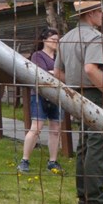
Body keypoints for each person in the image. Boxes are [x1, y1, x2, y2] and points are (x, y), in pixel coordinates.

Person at [56, 0, 103, 204]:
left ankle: (83, 198)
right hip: (95, 95)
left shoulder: (66, 38)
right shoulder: (96, 37)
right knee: (97, 145)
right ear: (92, 13)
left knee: (84, 144)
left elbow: (57, 73)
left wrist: (76, 85)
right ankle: (96, 201)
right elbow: (91, 68)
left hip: (76, 94)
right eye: (101, 12)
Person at [19, 27, 63, 174]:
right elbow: (41, 74)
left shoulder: (59, 57)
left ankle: (52, 161)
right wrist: (56, 74)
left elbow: (60, 74)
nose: (56, 42)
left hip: (57, 96)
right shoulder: (38, 55)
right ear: (44, 40)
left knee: (56, 129)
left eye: (57, 40)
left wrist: (54, 74)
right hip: (39, 95)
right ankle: (24, 160)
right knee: (36, 128)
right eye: (53, 39)